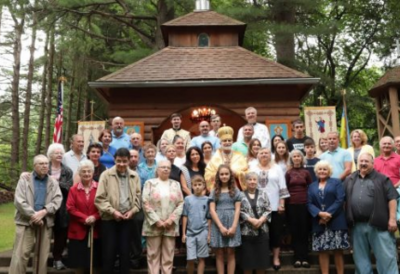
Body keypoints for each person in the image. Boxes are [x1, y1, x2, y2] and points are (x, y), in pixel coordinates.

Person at [343, 153, 399, 274]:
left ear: (373, 164)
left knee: (386, 258)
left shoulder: (382, 179)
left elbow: (392, 198)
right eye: (361, 161)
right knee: (360, 261)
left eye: (366, 161)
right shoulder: (350, 179)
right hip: (356, 226)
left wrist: (392, 219)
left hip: (379, 225)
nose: (363, 163)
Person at [9, 155, 62, 274]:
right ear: (34, 166)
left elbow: (57, 200)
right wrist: (34, 215)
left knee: (41, 257)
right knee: (21, 254)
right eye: (41, 164)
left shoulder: (53, 182)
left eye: (46, 163)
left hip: (45, 221)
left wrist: (44, 211)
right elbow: (19, 201)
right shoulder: (25, 179)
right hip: (25, 221)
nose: (44, 166)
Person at [95, 148, 141, 274]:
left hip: (127, 219)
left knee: (125, 253)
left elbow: (138, 197)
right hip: (109, 220)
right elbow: (99, 199)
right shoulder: (106, 175)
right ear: (114, 160)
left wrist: (132, 211)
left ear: (129, 161)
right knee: (108, 253)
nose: (121, 164)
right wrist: (113, 212)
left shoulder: (134, 176)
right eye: (119, 161)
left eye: (124, 161)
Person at [250, 147, 289, 270]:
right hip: (257, 207)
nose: (264, 155)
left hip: (274, 206)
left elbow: (282, 186)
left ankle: (276, 258)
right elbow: (249, 186)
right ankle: (261, 258)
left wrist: (282, 203)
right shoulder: (252, 168)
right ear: (258, 155)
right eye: (261, 153)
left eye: (266, 153)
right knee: (259, 234)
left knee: (275, 233)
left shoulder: (276, 168)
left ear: (270, 155)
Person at [142, 160, 184, 274]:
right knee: (153, 255)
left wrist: (171, 219)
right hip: (154, 226)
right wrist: (157, 221)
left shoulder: (176, 184)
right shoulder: (149, 183)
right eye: (163, 167)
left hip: (170, 226)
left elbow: (181, 203)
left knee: (168, 256)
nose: (166, 169)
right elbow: (145, 203)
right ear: (157, 169)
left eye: (168, 168)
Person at [307, 160, 349, 274]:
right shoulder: (311, 186)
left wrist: (327, 214)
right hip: (319, 221)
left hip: (336, 220)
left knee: (338, 251)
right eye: (320, 169)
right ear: (316, 171)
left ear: (329, 171)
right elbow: (309, 203)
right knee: (322, 251)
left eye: (325, 169)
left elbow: (340, 199)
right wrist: (320, 214)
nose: (322, 171)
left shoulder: (336, 182)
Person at [66, 160, 101, 274]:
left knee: (95, 263)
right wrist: (85, 218)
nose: (86, 174)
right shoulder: (73, 189)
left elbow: (104, 206)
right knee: (79, 263)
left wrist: (94, 217)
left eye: (89, 171)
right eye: (83, 171)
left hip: (96, 230)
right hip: (78, 231)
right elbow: (70, 207)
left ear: (93, 173)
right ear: (79, 174)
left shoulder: (100, 188)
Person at [209, 165, 242, 274]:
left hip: (232, 222)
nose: (224, 176)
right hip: (218, 223)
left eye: (226, 174)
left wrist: (234, 226)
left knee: (231, 252)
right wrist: (220, 227)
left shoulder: (235, 190)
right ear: (218, 176)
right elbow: (212, 210)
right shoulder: (214, 191)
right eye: (222, 174)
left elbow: (238, 209)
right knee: (219, 252)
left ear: (230, 175)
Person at [237, 172, 272, 274]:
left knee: (261, 262)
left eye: (254, 179)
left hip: (262, 231)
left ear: (257, 181)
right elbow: (239, 211)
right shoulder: (240, 195)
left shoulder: (263, 194)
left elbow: (268, 210)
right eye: (250, 179)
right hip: (247, 233)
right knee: (248, 262)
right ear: (245, 181)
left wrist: (261, 220)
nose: (252, 182)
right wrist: (250, 220)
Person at [47, 144, 73, 270]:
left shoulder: (67, 171)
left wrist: (54, 182)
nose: (59, 155)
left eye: (61, 153)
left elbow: (68, 186)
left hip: (62, 206)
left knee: (61, 233)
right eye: (56, 153)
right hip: (45, 206)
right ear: (50, 155)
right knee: (46, 232)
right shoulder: (44, 168)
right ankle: (42, 258)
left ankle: (57, 258)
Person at [285, 150, 312, 268]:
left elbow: (310, 188)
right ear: (291, 159)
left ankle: (305, 258)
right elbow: (285, 189)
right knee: (295, 231)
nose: (296, 158)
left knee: (304, 231)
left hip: (304, 204)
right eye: (294, 156)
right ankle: (297, 258)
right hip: (291, 205)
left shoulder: (306, 172)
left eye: (298, 156)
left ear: (302, 158)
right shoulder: (288, 173)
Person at [182, 175, 211, 274]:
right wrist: (183, 233)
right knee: (190, 259)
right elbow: (185, 216)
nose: (197, 187)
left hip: (203, 231)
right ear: (192, 186)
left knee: (202, 258)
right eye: (195, 185)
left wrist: (209, 234)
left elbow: (209, 218)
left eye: (200, 184)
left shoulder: (207, 200)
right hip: (190, 232)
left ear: (204, 186)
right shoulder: (188, 199)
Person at [205, 126, 248, 191]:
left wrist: (236, 173)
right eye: (224, 141)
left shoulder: (239, 156)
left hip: (237, 189)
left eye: (229, 140)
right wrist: (221, 174)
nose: (227, 142)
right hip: (220, 190)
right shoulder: (214, 157)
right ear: (220, 143)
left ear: (232, 142)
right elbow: (208, 175)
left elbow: (247, 173)